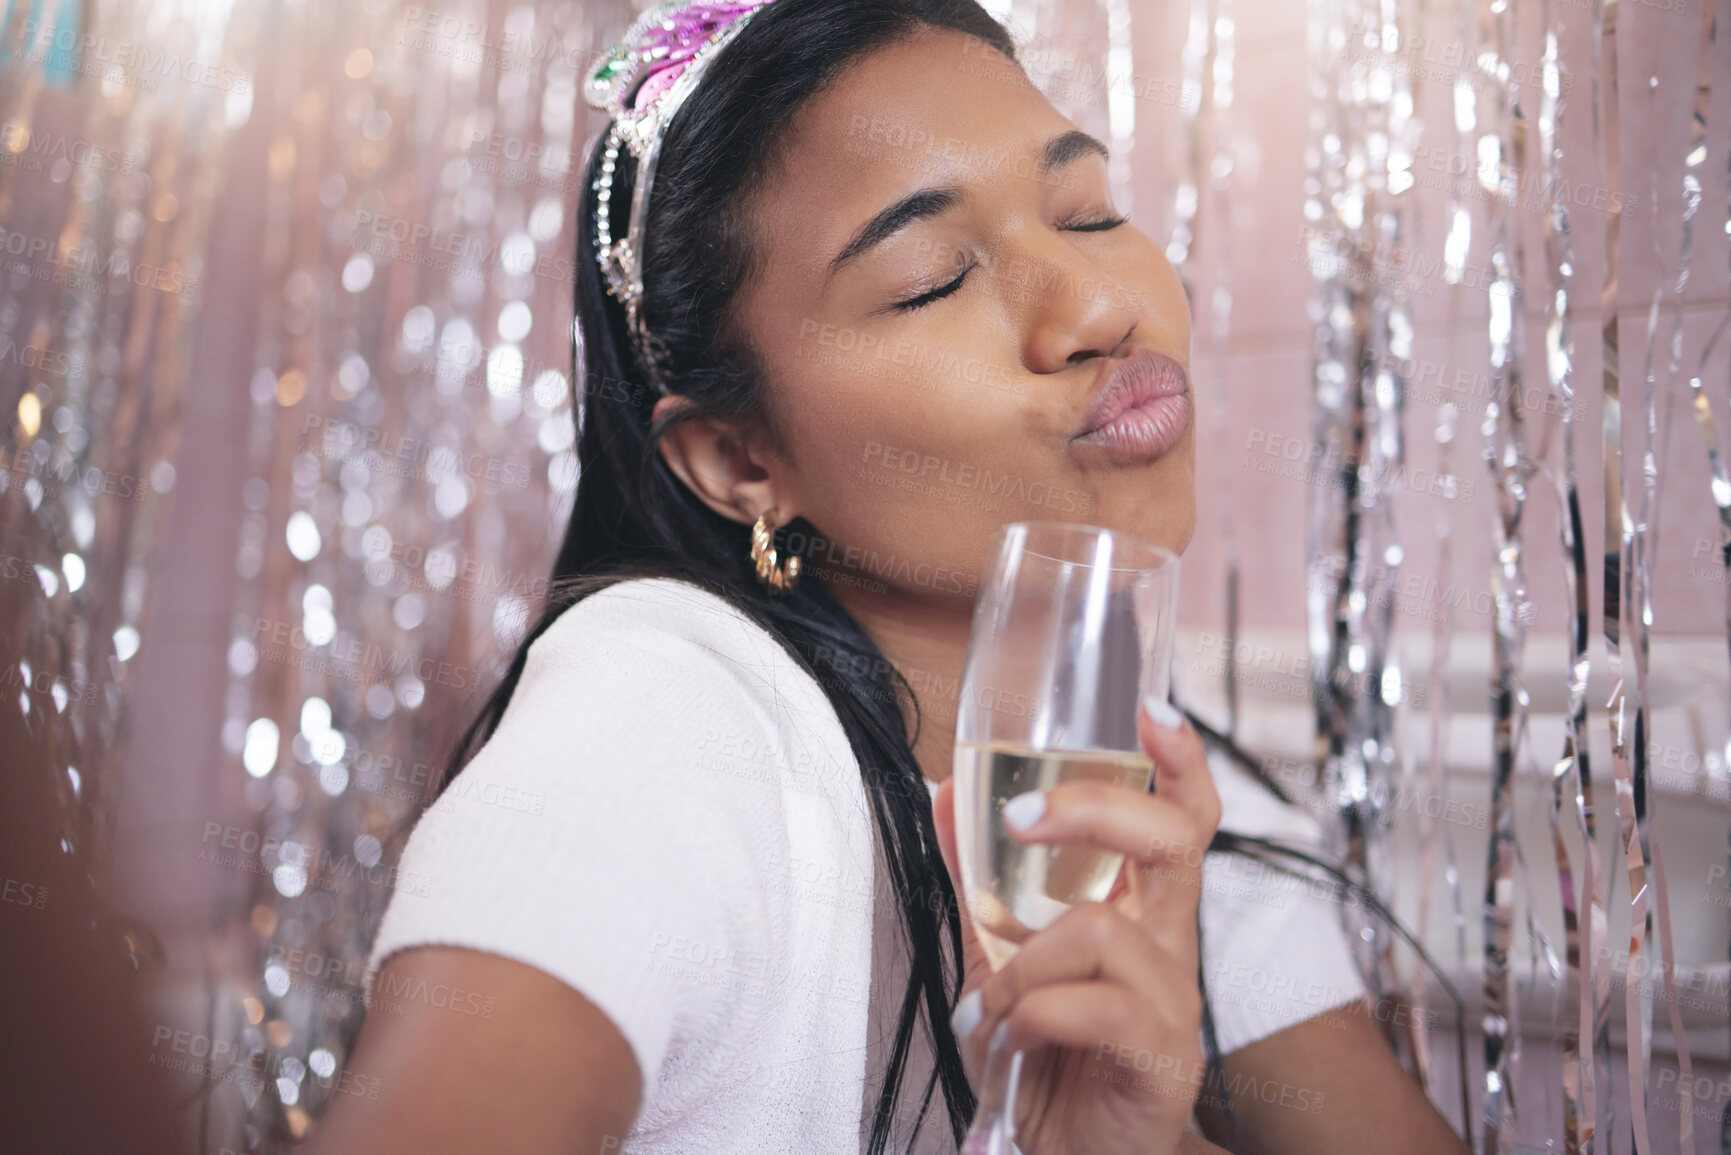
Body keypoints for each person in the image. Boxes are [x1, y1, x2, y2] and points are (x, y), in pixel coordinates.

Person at [309, 1, 1469, 1152]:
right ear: (741, 460)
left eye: (1089, 211)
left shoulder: (1160, 788)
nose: (1101, 308)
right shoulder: (663, 710)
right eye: (929, 280)